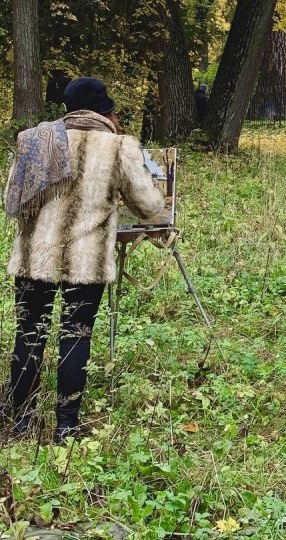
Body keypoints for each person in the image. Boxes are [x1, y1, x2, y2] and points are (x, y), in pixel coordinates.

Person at [4, 77, 169, 442]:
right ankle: (66, 425)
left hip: (35, 257)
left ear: (68, 108)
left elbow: (10, 198)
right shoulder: (118, 146)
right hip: (86, 261)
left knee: (29, 334)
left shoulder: (34, 140)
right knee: (76, 336)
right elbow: (149, 206)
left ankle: (22, 421)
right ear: (106, 112)